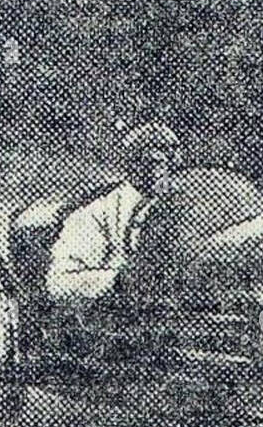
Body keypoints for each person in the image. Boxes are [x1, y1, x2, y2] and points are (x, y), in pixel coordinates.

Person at [45, 122, 184, 300]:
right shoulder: (98, 211)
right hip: (115, 316)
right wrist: (119, 281)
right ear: (132, 165)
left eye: (170, 162)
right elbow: (60, 282)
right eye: (152, 161)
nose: (161, 171)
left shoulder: (185, 206)